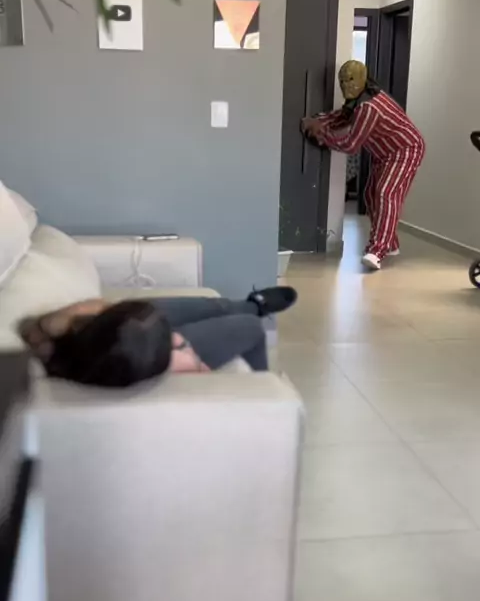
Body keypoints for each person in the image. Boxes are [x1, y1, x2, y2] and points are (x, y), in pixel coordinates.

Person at [18, 286, 297, 388]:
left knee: (213, 306)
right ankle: (263, 390)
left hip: (121, 331)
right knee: (250, 328)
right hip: (144, 342)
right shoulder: (129, 358)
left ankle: (251, 305)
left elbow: (47, 324)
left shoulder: (52, 332)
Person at [302, 60, 425, 271]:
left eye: (350, 80)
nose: (346, 85)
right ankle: (391, 244)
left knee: (386, 193)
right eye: (342, 81)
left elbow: (351, 145)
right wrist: (316, 121)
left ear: (361, 79)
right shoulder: (357, 101)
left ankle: (377, 251)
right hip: (384, 152)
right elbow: (342, 117)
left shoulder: (369, 107)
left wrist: (322, 135)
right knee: (369, 195)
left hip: (406, 149)